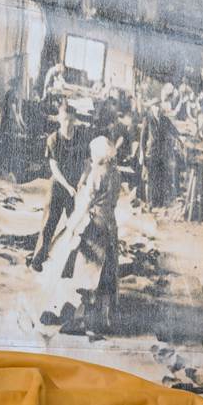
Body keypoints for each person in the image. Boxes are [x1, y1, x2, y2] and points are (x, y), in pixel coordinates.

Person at [37, 134, 122, 332]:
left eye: (93, 153)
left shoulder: (97, 175)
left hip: (95, 226)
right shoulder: (116, 173)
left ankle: (82, 315)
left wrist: (71, 228)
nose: (91, 156)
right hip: (109, 224)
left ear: (100, 154)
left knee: (84, 269)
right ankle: (104, 317)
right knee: (106, 271)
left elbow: (84, 206)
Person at [29, 103, 87, 272]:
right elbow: (54, 167)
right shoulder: (53, 139)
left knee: (75, 226)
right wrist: (67, 186)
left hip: (75, 187)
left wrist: (81, 181)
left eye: (70, 120)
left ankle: (70, 267)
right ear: (59, 120)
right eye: (64, 120)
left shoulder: (81, 138)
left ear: (74, 120)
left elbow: (86, 164)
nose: (67, 123)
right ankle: (37, 261)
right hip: (59, 185)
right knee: (48, 225)